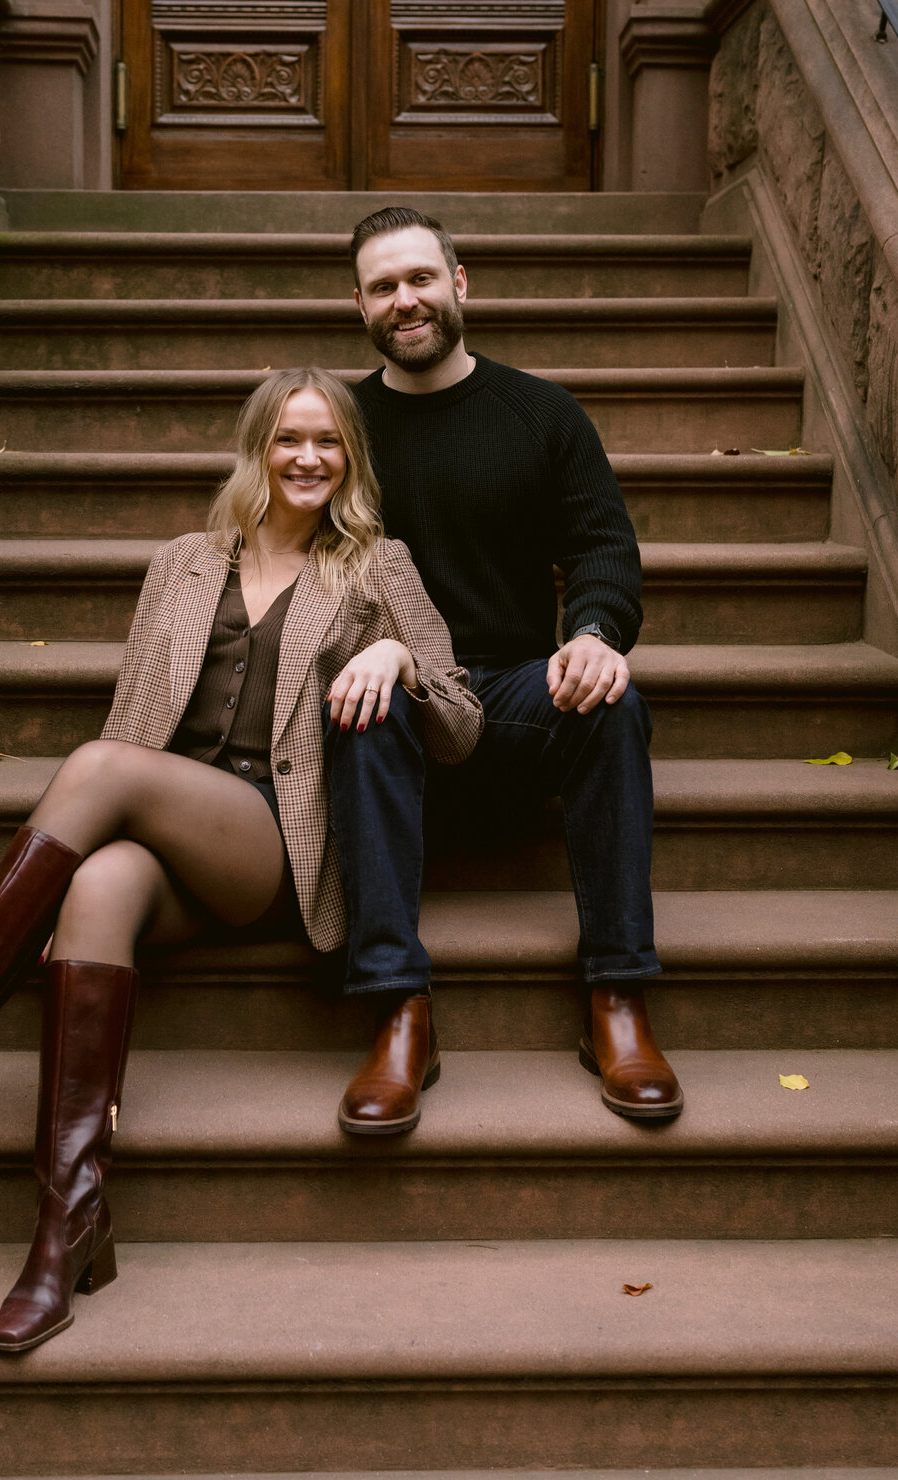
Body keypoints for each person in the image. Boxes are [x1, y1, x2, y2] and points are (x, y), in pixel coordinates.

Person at [0, 368, 481, 1353]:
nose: (307, 458)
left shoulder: (376, 566)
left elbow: (460, 725)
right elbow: (135, 721)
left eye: (329, 442)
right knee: (100, 882)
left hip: (274, 846)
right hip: (167, 826)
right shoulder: (185, 562)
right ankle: (65, 1228)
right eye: (288, 439)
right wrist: (101, 826)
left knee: (100, 767)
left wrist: (400, 662)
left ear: (352, 460)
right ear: (256, 451)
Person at [344, 205, 683, 1126]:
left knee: (612, 702)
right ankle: (396, 1008)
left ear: (461, 284)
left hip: (514, 692)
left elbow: (604, 548)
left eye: (420, 278)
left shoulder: (541, 413)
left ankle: (616, 997)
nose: (404, 300)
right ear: (360, 305)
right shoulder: (337, 426)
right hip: (400, 693)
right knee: (359, 710)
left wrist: (597, 635)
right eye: (383, 286)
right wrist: (373, 646)